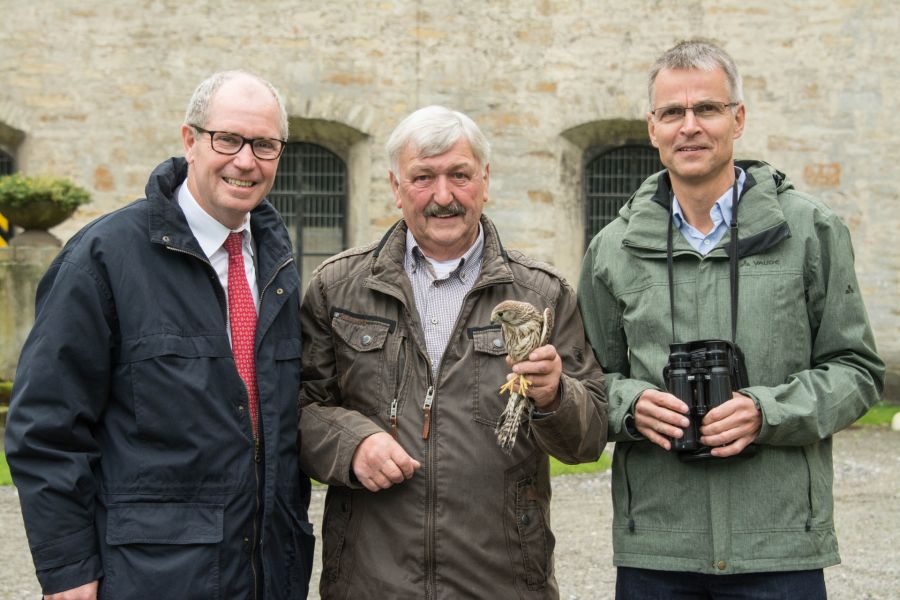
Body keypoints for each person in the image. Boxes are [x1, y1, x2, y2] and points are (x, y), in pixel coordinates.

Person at [578, 40, 884, 599]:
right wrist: (631, 404)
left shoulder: (810, 231)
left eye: (707, 108)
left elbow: (857, 371)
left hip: (779, 546)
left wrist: (767, 412)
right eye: (673, 112)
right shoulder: (612, 249)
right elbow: (588, 379)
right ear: (653, 128)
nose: (689, 126)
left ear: (738, 119)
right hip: (658, 551)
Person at [4, 71, 314, 600]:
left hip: (267, 573)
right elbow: (45, 427)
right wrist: (69, 568)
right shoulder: (103, 258)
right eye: (228, 139)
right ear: (190, 140)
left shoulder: (276, 262)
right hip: (152, 578)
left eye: (265, 145)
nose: (246, 160)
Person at [298, 105, 608, 598]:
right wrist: (351, 443)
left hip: (501, 584)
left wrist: (555, 396)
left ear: (485, 181)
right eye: (423, 177)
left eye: (459, 175)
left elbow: (587, 440)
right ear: (396, 186)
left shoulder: (541, 294)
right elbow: (298, 410)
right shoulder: (336, 288)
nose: (443, 196)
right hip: (371, 582)